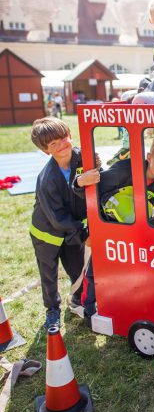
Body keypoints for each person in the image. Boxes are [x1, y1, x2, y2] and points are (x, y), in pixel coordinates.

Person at [30, 117, 89, 328]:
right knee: (49, 274)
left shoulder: (84, 159)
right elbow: (57, 218)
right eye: (53, 143)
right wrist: (84, 233)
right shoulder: (47, 179)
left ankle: (79, 299)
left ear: (70, 135)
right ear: (46, 150)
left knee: (78, 268)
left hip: (71, 230)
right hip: (47, 234)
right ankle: (52, 309)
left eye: (63, 138)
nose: (62, 145)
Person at [75, 134, 154, 224]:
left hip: (139, 231)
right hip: (109, 224)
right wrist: (79, 182)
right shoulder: (124, 171)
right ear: (149, 157)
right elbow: (92, 189)